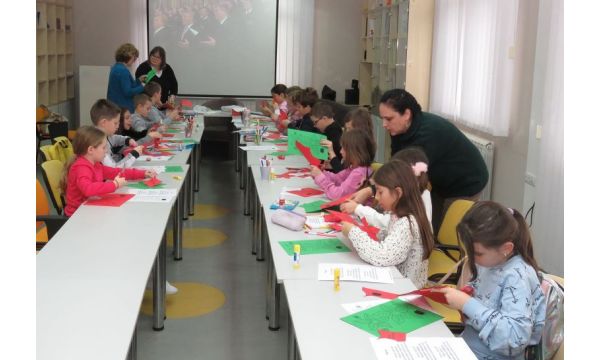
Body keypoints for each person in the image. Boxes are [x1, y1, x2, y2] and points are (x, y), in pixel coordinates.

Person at [351, 89, 489, 235]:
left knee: (442, 231)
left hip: (466, 181)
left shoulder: (427, 135)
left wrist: (371, 191)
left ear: (407, 114)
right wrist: (373, 185)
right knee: (430, 226)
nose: (384, 124)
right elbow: (395, 163)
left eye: (389, 119)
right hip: (441, 181)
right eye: (383, 118)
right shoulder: (398, 129)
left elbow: (402, 174)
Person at [434, 201, 546, 360]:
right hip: (469, 347)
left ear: (506, 249)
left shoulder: (518, 276)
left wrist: (468, 304)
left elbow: (514, 340)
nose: (472, 258)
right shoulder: (490, 262)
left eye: (478, 254)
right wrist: (463, 302)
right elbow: (483, 303)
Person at [340, 160, 434, 288]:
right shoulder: (399, 215)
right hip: (397, 282)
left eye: (380, 192)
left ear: (398, 193)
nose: (377, 198)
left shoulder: (407, 222)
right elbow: (388, 238)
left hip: (405, 291)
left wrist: (353, 232)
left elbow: (382, 256)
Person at [61, 126, 152, 217]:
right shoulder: (81, 167)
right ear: (91, 150)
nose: (106, 151)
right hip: (76, 215)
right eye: (104, 148)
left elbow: (115, 172)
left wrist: (142, 173)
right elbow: (88, 189)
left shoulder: (95, 164)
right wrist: (115, 184)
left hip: (89, 209)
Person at [90, 99, 156, 169]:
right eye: (115, 123)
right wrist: (133, 155)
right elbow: (113, 169)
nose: (118, 126)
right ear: (104, 122)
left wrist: (127, 140)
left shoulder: (103, 135)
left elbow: (115, 138)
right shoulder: (98, 144)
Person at [311, 129, 375, 200]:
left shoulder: (359, 173)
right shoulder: (355, 167)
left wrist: (320, 177)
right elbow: (338, 179)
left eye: (343, 148)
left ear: (353, 151)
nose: (340, 151)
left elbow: (338, 195)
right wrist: (321, 173)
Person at [107, 43, 145, 112]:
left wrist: (139, 80)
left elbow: (127, 86)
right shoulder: (123, 71)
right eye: (134, 57)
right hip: (123, 107)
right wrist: (143, 86)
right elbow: (128, 92)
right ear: (128, 55)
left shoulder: (115, 67)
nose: (135, 60)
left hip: (115, 106)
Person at [310, 102, 344, 173]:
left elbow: (332, 156)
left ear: (324, 118)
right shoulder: (329, 130)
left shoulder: (335, 132)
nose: (314, 126)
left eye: (315, 122)